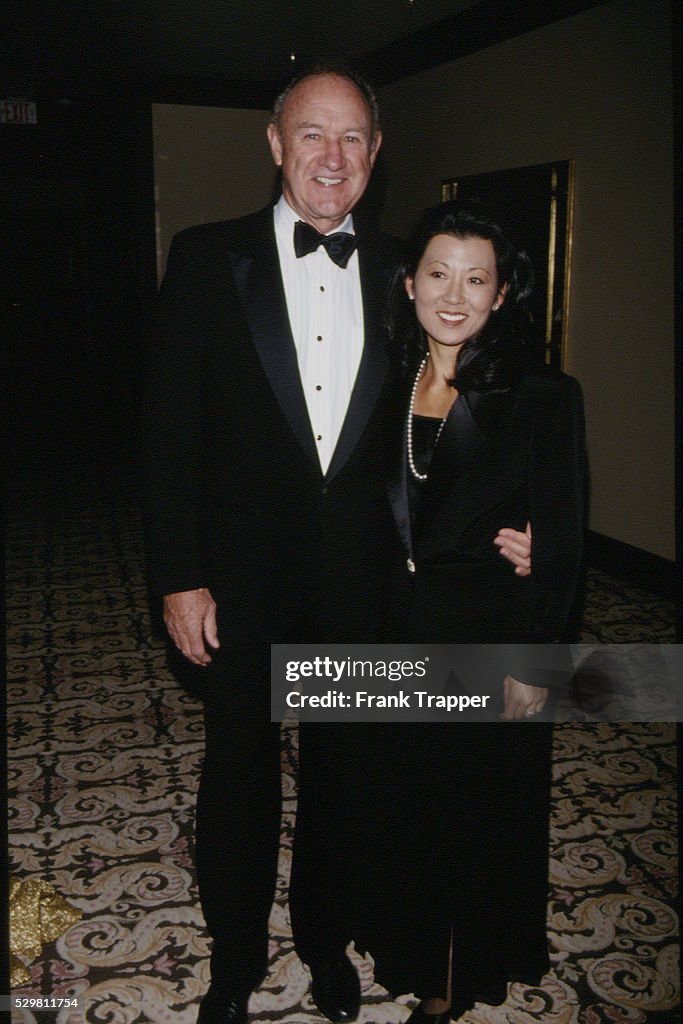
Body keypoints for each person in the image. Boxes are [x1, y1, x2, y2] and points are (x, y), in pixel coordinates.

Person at [141, 67, 532, 1024]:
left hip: (361, 583)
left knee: (343, 778)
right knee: (238, 775)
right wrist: (179, 576)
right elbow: (166, 434)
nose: (332, 157)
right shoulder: (205, 258)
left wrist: (523, 522)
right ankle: (235, 956)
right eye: (312, 134)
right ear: (275, 144)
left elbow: (470, 412)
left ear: (375, 154)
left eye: (352, 137)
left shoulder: (409, 271)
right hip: (236, 580)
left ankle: (323, 939)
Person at [353, 201, 585, 1021]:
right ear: (409, 281)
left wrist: (536, 661)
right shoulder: (378, 378)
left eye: (475, 279)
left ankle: (457, 974)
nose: (453, 296)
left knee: (474, 816)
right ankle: (405, 941)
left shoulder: (542, 395)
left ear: (500, 293)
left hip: (487, 636)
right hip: (393, 629)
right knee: (404, 802)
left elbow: (562, 547)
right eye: (438, 274)